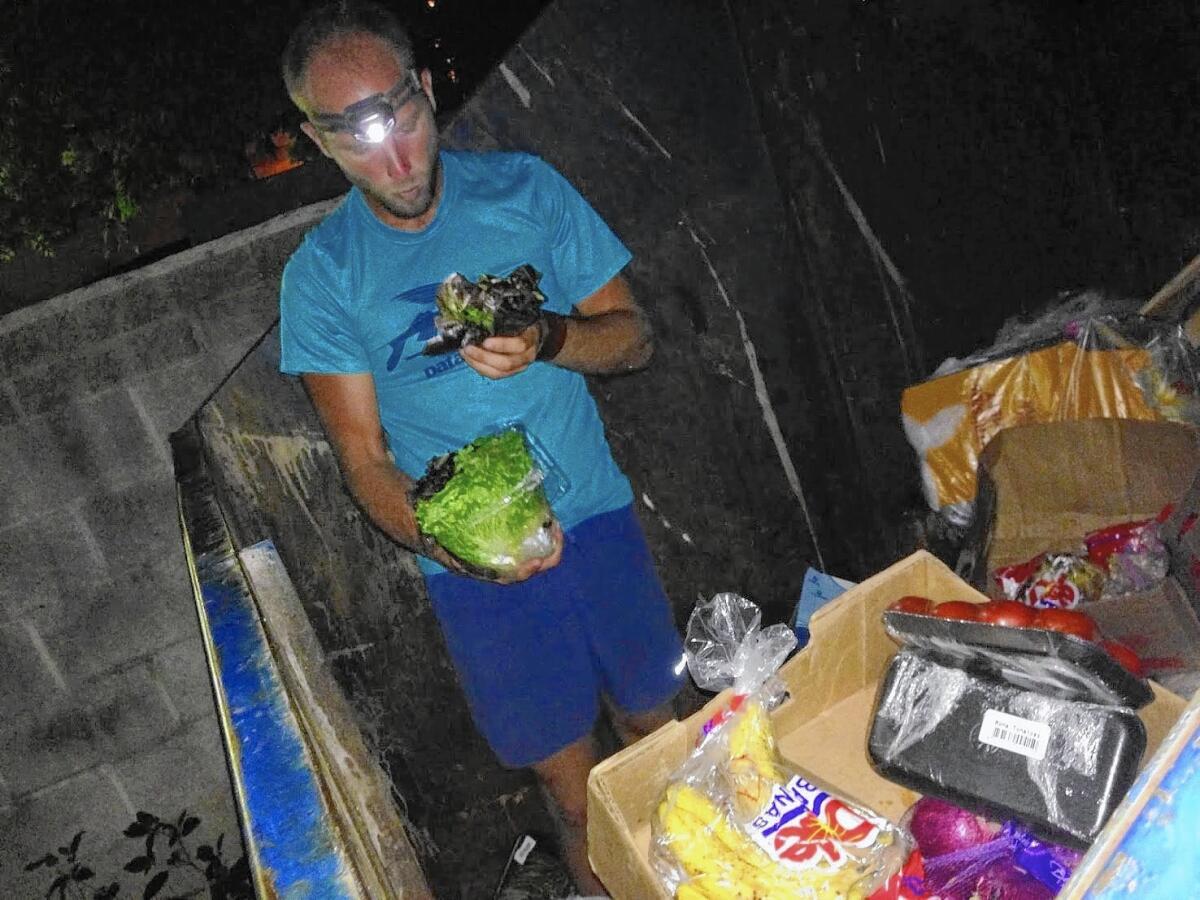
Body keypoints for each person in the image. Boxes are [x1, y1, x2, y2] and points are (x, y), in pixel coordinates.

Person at [277, 3, 685, 892]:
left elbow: (636, 335)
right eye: (354, 136)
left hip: (601, 520)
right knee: (576, 797)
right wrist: (453, 544)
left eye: (402, 116)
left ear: (426, 92)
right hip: (475, 574)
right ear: (317, 141)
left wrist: (549, 339)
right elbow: (364, 462)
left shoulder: (526, 188)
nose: (396, 160)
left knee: (664, 744)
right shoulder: (321, 274)